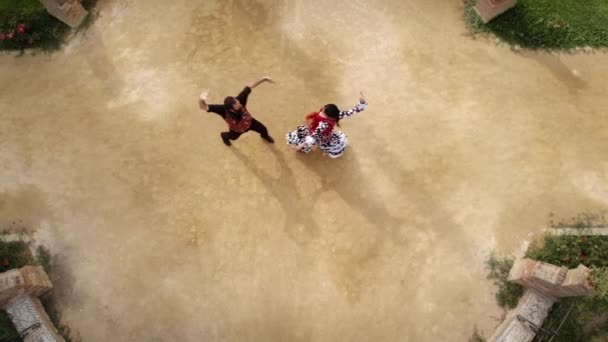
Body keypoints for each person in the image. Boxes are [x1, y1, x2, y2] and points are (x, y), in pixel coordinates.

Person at [286, 92, 368, 158]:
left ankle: (303, 149)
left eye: (323, 111)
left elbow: (313, 136)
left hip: (319, 134)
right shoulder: (337, 114)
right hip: (324, 133)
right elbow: (353, 111)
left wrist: (300, 146)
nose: (321, 110)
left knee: (303, 137)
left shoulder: (323, 124)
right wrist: (362, 103)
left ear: (328, 115)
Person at [198, 77, 275, 146]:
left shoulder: (240, 99)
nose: (240, 103)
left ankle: (265, 136)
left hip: (250, 123)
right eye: (237, 104)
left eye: (237, 101)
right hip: (236, 130)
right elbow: (204, 107)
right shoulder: (222, 110)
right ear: (232, 108)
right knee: (232, 138)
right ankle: (224, 136)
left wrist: (264, 79)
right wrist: (201, 99)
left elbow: (249, 86)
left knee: (263, 129)